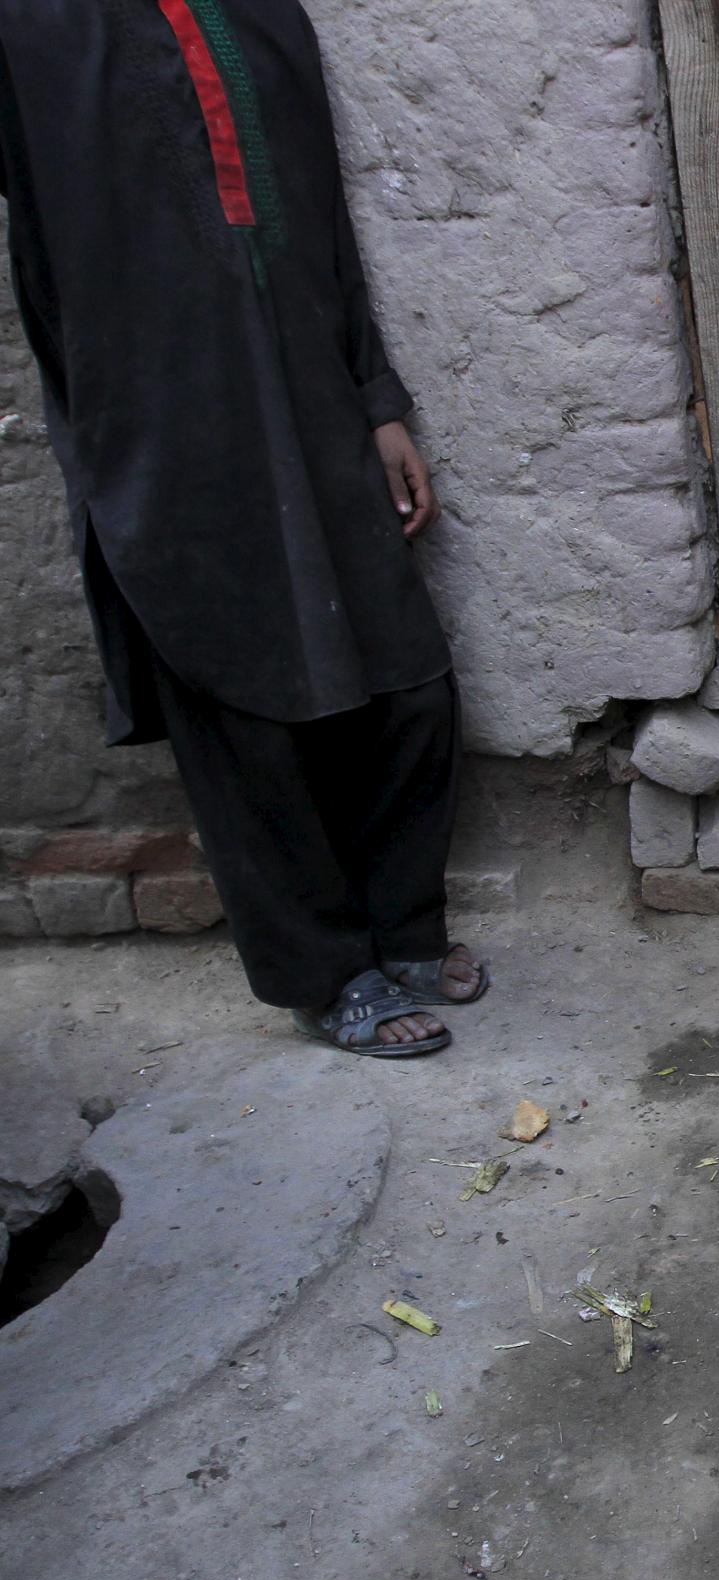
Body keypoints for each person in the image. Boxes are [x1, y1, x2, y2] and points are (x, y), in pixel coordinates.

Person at [0, 0, 484, 1056]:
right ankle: (322, 970)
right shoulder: (30, 25)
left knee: (408, 682)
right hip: (159, 413)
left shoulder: (261, 13)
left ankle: (404, 926)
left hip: (316, 393)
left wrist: (377, 398)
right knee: (237, 698)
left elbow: (323, 228)